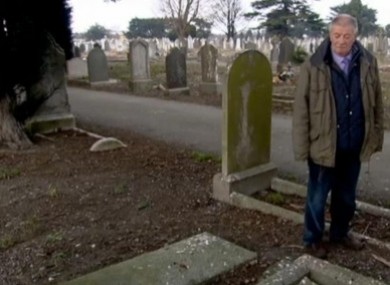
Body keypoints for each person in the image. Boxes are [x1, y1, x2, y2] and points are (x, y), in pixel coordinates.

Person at [292, 14, 384, 259]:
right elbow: (301, 108)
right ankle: (312, 239)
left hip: (353, 144)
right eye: (337, 36)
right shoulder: (314, 65)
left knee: (346, 197)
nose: (341, 41)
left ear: (355, 36)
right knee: (317, 197)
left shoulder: (368, 61)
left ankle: (340, 233)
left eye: (347, 36)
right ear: (329, 35)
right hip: (323, 145)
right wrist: (302, 147)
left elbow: (376, 103)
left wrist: (375, 137)